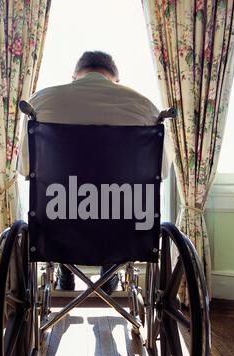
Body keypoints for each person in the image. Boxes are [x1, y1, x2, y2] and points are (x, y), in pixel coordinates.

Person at [19, 51, 173, 294]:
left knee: (62, 205)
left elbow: (26, 169)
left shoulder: (39, 103)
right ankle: (110, 265)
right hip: (123, 223)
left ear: (74, 77)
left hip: (60, 217)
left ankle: (65, 268)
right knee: (117, 207)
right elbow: (160, 172)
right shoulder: (146, 108)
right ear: (116, 80)